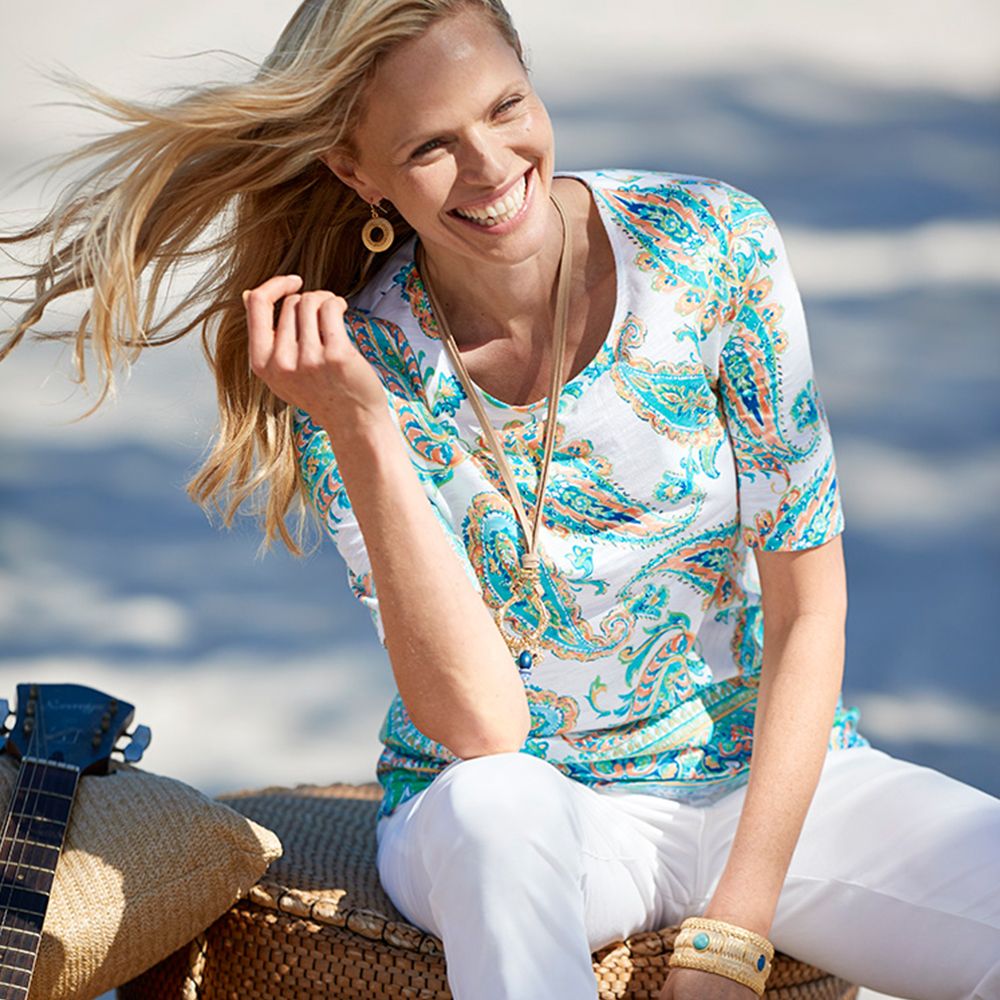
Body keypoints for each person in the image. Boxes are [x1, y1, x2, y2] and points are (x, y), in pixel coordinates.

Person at [2, 2, 998, 998]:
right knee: (494, 806)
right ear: (357, 171)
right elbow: (482, 727)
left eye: (505, 107)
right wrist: (361, 425)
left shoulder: (708, 244)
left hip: (769, 782)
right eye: (430, 146)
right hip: (526, 814)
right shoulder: (354, 362)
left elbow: (808, 607)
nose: (489, 166)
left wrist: (733, 930)